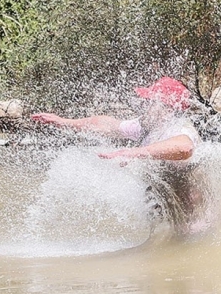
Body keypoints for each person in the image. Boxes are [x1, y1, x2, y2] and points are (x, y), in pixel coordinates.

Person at [31, 77, 211, 237]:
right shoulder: (147, 125)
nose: (144, 105)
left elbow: (184, 148)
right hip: (171, 210)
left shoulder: (180, 128)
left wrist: (132, 153)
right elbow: (108, 125)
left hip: (197, 222)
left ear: (166, 109)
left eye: (150, 102)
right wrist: (65, 122)